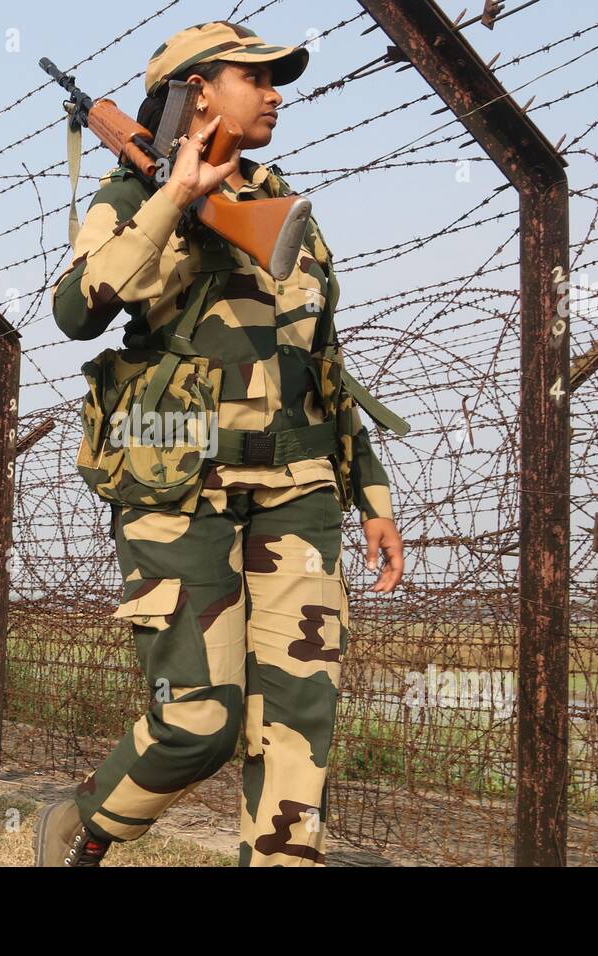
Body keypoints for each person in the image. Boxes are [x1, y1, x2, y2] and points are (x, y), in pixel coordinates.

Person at [36, 21, 405, 867]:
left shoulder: (288, 209)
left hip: (302, 487)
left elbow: (326, 365)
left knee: (298, 722)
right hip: (179, 482)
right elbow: (76, 311)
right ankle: (87, 826)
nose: (276, 91)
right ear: (198, 90)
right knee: (197, 721)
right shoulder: (131, 199)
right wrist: (176, 196)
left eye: (278, 79)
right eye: (257, 76)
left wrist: (372, 496)